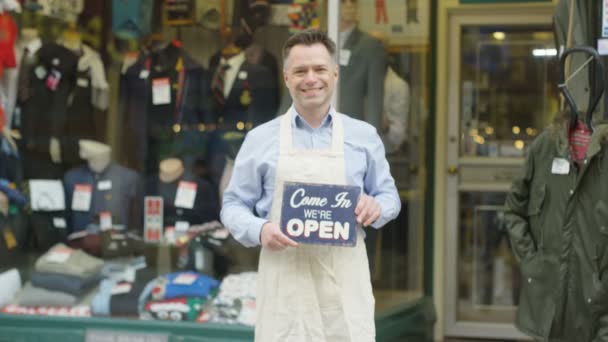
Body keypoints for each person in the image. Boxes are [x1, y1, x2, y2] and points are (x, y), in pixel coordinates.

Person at [220, 30, 400, 341]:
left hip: (344, 291)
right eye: (301, 71)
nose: (310, 78)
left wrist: (377, 206)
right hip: (284, 293)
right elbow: (233, 205)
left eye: (319, 69)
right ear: (287, 77)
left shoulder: (364, 136)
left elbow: (389, 196)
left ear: (335, 73)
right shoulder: (260, 139)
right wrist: (260, 230)